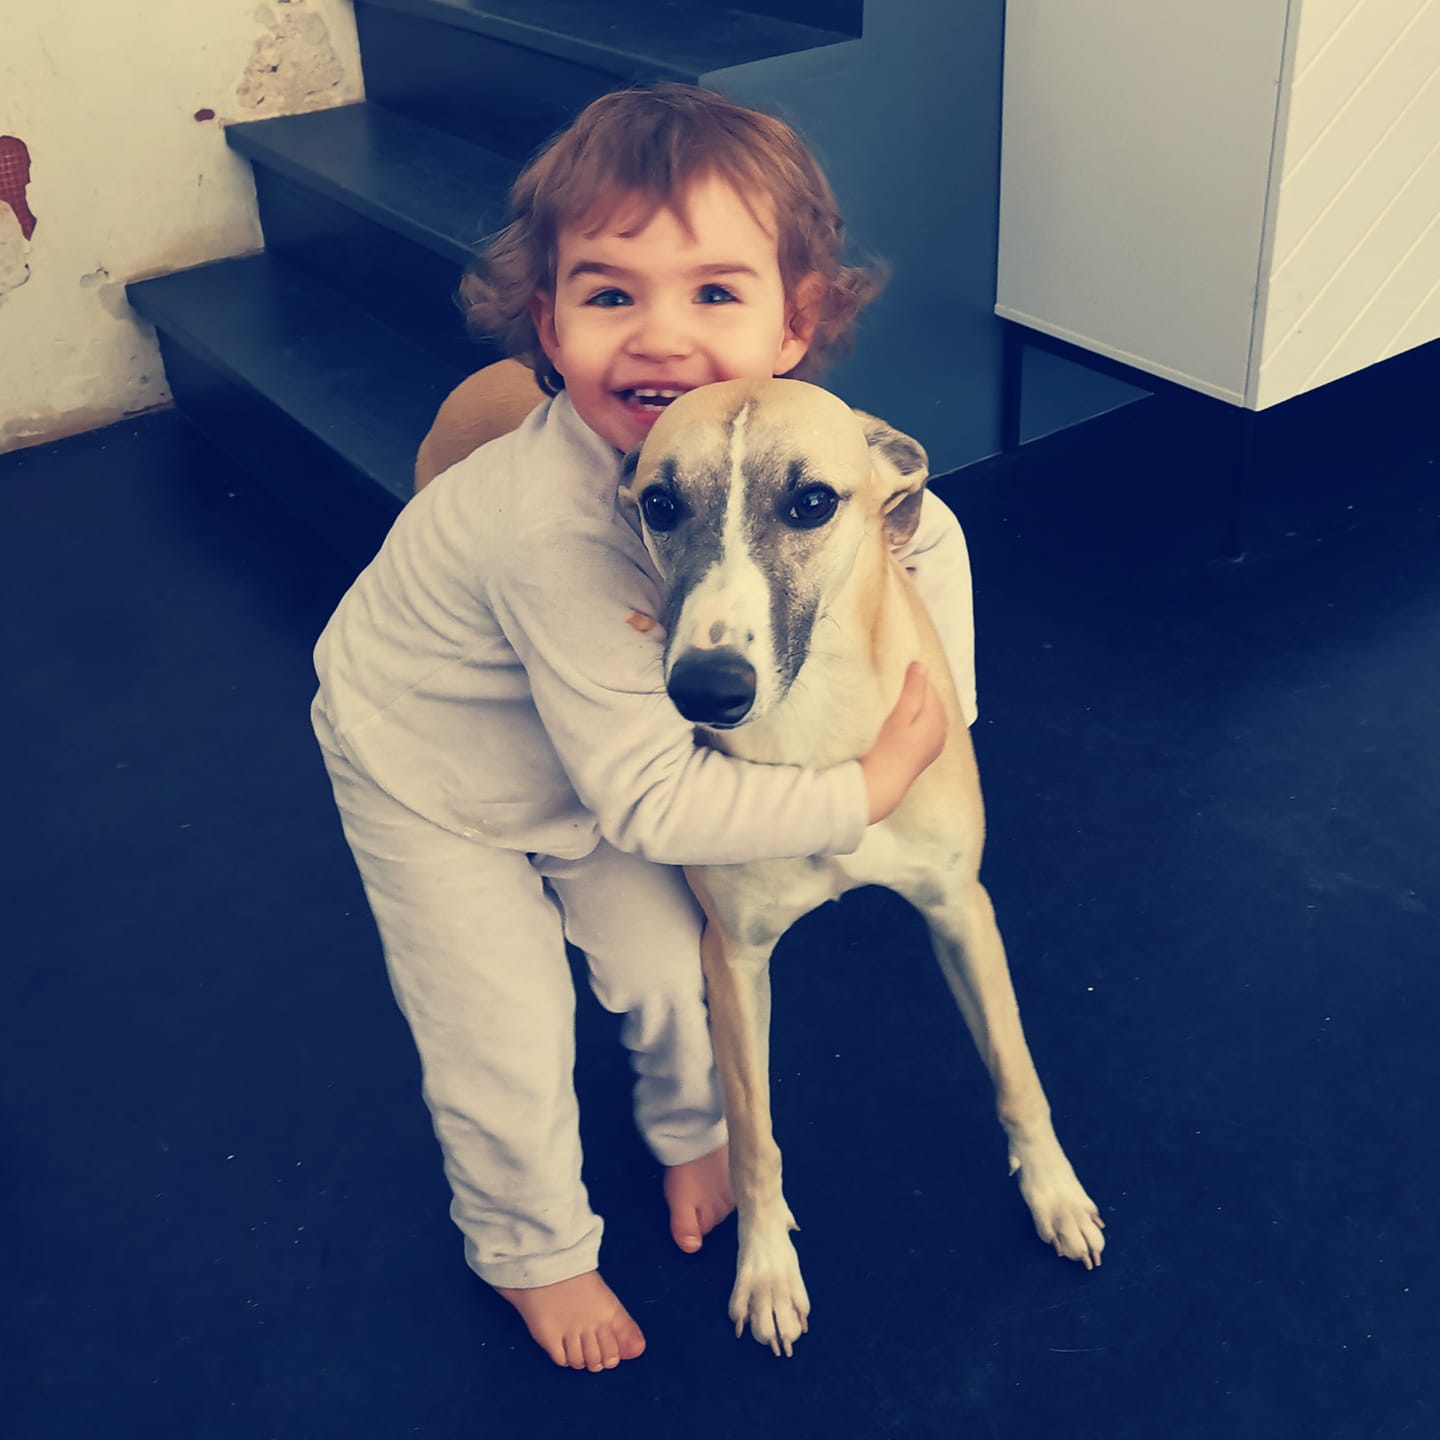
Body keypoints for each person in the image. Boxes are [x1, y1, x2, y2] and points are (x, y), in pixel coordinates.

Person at [310, 82, 976, 1373]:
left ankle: (694, 1136)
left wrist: (934, 710)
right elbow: (656, 805)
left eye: (715, 292)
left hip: (600, 758)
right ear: (549, 327)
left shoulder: (829, 463)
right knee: (501, 1032)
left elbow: (925, 542)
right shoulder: (551, 530)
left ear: (795, 322)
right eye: (610, 294)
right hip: (432, 773)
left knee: (677, 967)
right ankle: (532, 1250)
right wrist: (869, 786)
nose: (661, 336)